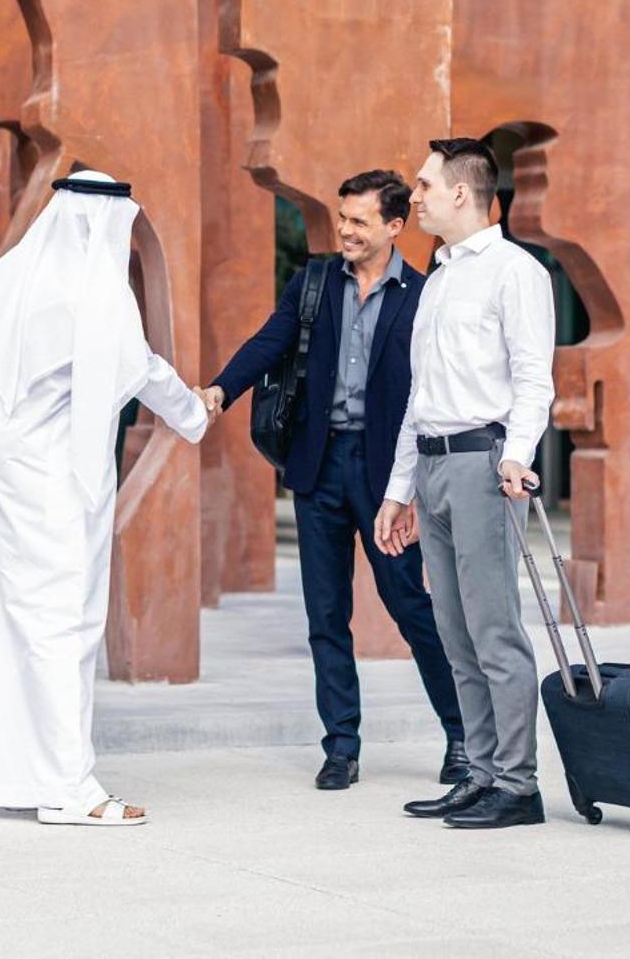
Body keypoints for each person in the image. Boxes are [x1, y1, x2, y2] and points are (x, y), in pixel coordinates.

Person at [0, 170, 210, 827]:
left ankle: (23, 774)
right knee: (66, 625)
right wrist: (196, 413)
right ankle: (71, 788)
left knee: (13, 623)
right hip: (55, 481)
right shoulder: (94, 290)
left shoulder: (3, 277)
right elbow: (140, 367)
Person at [202, 170, 467, 793]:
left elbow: (433, 389)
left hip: (387, 478)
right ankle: (341, 746)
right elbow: (270, 342)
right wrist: (221, 388)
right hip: (319, 468)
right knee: (326, 615)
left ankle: (462, 736)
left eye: (359, 221)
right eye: (342, 218)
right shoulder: (315, 281)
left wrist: (415, 485)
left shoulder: (423, 296)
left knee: (411, 608)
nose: (344, 230)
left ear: (394, 227)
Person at [374, 139, 555, 830]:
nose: (413, 195)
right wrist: (399, 489)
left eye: (423, 184)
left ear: (461, 192)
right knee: (454, 629)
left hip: (484, 465)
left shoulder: (516, 272)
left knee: (494, 629)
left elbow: (533, 376)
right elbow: (421, 393)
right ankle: (480, 773)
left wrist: (517, 454)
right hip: (433, 461)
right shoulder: (442, 276)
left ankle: (518, 783)